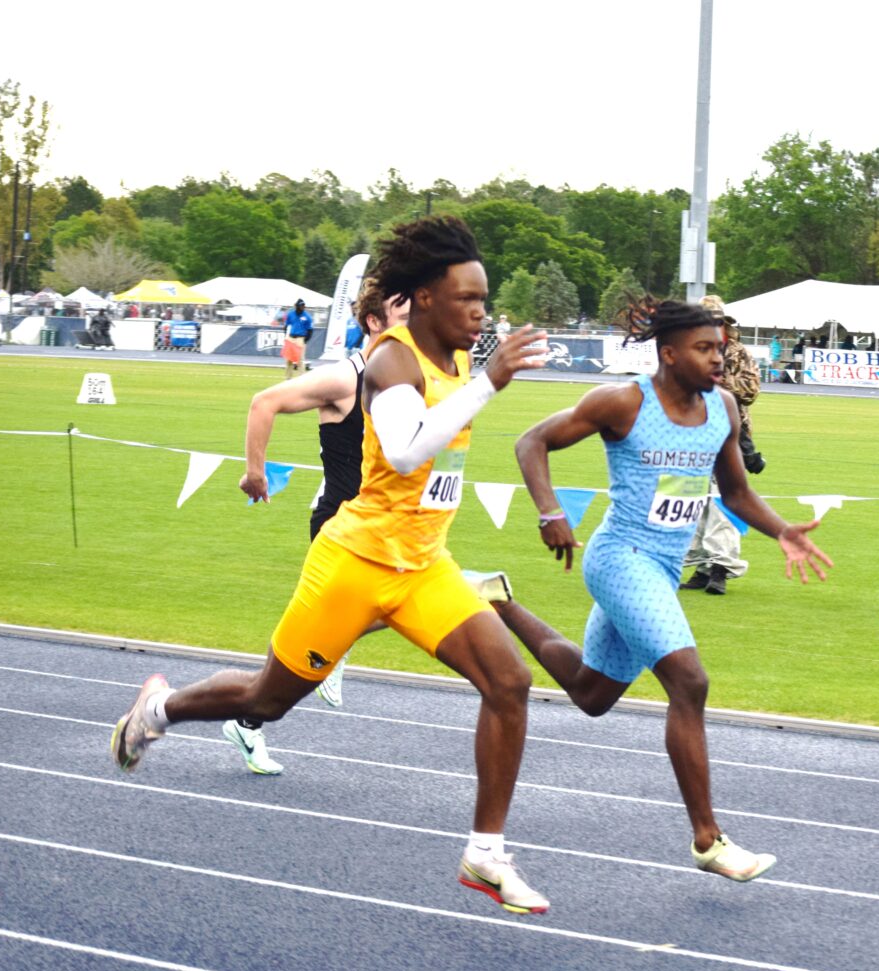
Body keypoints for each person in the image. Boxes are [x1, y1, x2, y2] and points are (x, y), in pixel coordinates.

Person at [111, 216, 555, 913]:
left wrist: (483, 376)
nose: (481, 313)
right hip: (355, 563)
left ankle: (485, 853)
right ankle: (158, 709)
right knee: (267, 700)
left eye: (484, 298)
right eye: (468, 299)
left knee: (509, 680)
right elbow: (408, 450)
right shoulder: (391, 361)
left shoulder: (464, 357)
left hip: (422, 566)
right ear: (427, 298)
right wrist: (491, 382)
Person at [493, 297, 832, 883]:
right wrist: (550, 511)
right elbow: (531, 442)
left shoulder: (722, 407)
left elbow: (736, 493)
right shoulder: (624, 402)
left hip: (662, 567)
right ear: (669, 353)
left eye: (721, 348)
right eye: (705, 349)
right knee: (690, 681)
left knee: (591, 693)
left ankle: (496, 602)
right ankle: (708, 838)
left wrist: (783, 531)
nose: (718, 360)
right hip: (620, 558)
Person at [223, 279, 410, 774]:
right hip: (341, 530)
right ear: (375, 322)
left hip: (383, 528)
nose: (414, 326)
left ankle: (329, 650)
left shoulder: (403, 382)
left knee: (383, 613)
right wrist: (255, 473)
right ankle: (230, 717)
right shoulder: (345, 380)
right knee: (300, 655)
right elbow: (265, 402)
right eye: (404, 315)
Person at [681, 294, 764, 595]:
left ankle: (721, 568)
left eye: (717, 321)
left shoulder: (738, 352)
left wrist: (715, 381)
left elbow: (752, 390)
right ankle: (702, 566)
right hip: (690, 434)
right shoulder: (686, 349)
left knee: (722, 502)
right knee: (691, 500)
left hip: (729, 435)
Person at [282, 299, 313, 379]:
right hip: (291, 337)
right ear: (296, 306)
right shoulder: (291, 314)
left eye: (303, 306)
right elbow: (286, 326)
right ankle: (288, 379)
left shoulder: (307, 316)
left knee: (300, 360)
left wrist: (305, 340)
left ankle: (302, 380)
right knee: (289, 360)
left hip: (300, 338)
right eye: (301, 306)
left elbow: (310, 330)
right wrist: (286, 336)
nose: (303, 307)